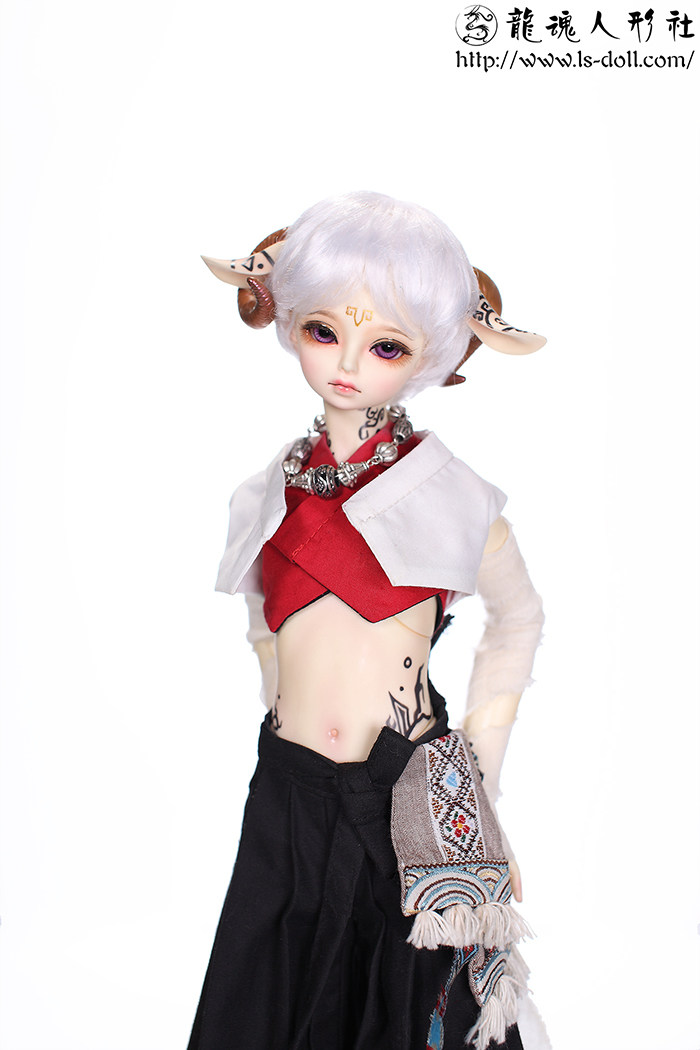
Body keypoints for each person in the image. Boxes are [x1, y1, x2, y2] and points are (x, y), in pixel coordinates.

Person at [188, 192, 547, 1050]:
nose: (348, 363)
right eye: (323, 331)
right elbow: (264, 624)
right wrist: (285, 706)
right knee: (267, 1000)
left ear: (433, 355)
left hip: (405, 795)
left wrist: (476, 779)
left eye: (387, 346)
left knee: (405, 1008)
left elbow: (519, 619)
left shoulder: (454, 497)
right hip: (288, 794)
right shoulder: (265, 496)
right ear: (285, 320)